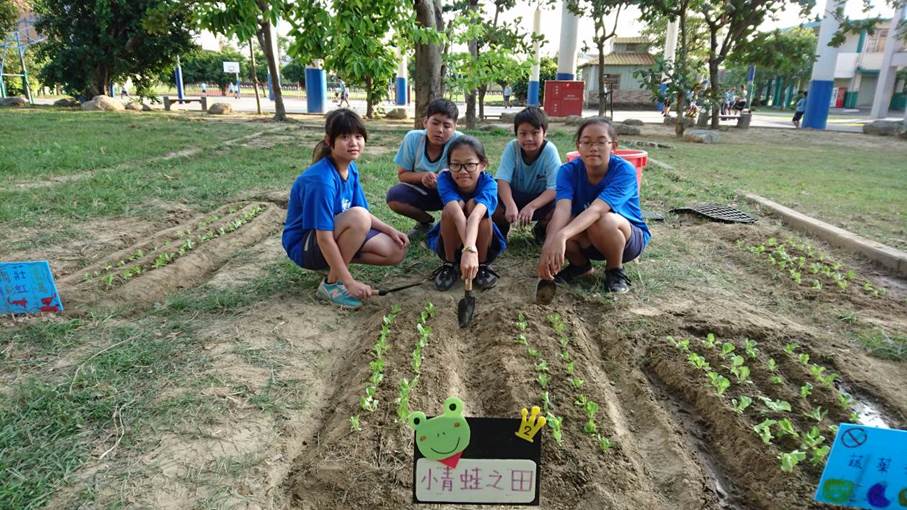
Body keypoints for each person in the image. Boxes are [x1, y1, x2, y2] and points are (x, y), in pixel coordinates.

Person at [282, 109, 409, 309]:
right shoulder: (321, 181)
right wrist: (349, 282)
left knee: (395, 251)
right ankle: (332, 285)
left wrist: (389, 230)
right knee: (359, 219)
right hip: (305, 245)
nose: (353, 142)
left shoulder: (350, 168)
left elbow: (362, 212)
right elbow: (326, 236)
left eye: (358, 136)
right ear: (328, 141)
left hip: (334, 233)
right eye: (344, 137)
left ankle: (337, 266)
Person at [538, 118, 650, 294]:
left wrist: (562, 235)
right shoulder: (568, 171)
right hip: (589, 238)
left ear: (613, 146)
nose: (594, 147)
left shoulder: (624, 170)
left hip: (627, 239)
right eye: (587, 142)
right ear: (578, 145)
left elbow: (597, 210)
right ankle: (580, 267)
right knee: (555, 224)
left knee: (603, 220)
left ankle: (615, 270)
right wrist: (550, 243)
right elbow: (562, 208)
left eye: (601, 142)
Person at [427, 136, 506, 291]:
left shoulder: (490, 184)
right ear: (448, 165)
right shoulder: (444, 179)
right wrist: (467, 250)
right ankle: (449, 264)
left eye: (470, 164)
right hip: (452, 242)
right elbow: (456, 214)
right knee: (452, 209)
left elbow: (476, 216)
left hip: (482, 244)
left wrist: (471, 249)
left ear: (483, 164)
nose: (462, 171)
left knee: (474, 206)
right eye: (455, 165)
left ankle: (482, 265)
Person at [386, 99, 463, 240]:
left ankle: (449, 226)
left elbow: (466, 178)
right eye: (435, 123)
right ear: (425, 122)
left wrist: (443, 182)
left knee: (466, 202)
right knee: (394, 197)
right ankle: (426, 222)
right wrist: (422, 177)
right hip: (422, 191)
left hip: (452, 193)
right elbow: (402, 175)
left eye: (447, 125)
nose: (440, 130)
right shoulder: (413, 138)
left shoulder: (460, 142)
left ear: (455, 127)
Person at [493, 106, 561, 243]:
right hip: (515, 195)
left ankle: (542, 229)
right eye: (523, 134)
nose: (529, 138)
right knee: (490, 197)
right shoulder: (512, 147)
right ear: (516, 134)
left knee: (563, 203)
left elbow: (554, 188)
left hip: (541, 200)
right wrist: (510, 204)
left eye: (535, 133)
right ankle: (501, 230)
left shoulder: (550, 151)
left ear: (545, 133)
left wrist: (532, 206)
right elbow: (502, 180)